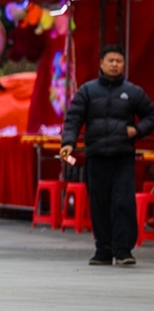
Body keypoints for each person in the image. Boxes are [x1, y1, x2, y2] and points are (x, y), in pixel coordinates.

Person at [60, 45, 154, 266]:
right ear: (101, 63)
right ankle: (103, 249)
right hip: (96, 154)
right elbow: (73, 118)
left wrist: (137, 130)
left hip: (122, 156)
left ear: (123, 64)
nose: (115, 65)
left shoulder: (133, 92)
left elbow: (151, 115)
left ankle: (123, 251)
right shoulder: (88, 91)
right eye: (111, 60)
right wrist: (68, 143)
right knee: (99, 203)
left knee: (123, 202)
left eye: (119, 61)